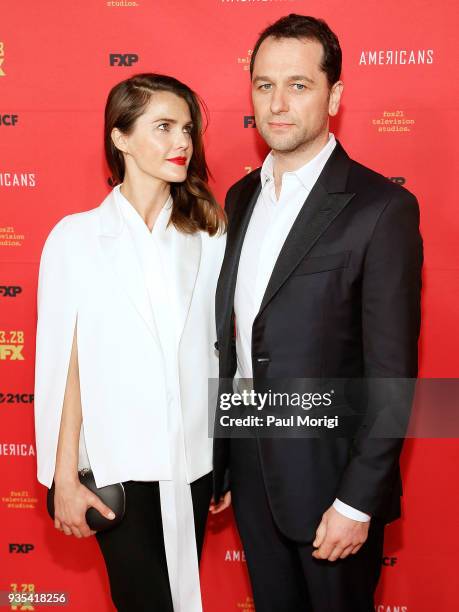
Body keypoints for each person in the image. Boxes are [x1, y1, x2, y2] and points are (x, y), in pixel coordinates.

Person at [211, 14, 423, 612]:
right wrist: (224, 458)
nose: (277, 104)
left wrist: (357, 501)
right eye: (264, 84)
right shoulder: (242, 196)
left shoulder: (381, 208)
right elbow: (241, 342)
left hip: (333, 479)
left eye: (299, 85)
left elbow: (393, 374)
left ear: (335, 96)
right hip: (252, 468)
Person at [34, 73, 226, 612]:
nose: (182, 142)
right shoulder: (74, 239)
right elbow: (64, 367)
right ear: (120, 138)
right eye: (163, 127)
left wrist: (227, 455)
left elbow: (221, 352)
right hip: (118, 466)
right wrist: (64, 476)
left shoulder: (208, 233)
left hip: (193, 461)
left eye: (186, 128)